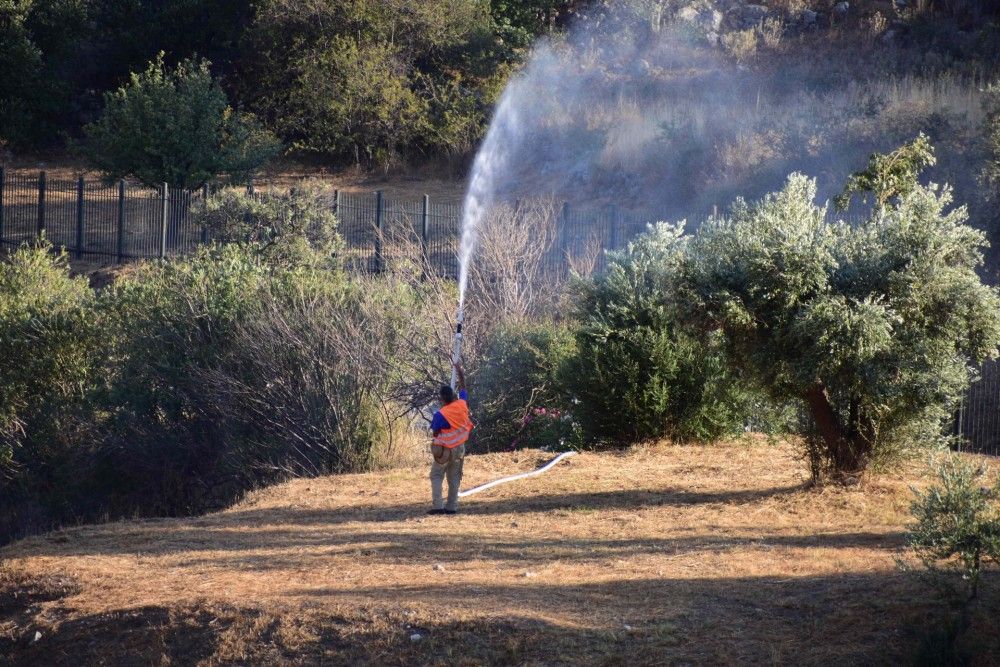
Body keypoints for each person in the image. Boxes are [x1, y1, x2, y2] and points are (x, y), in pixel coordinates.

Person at [428, 362, 473, 515]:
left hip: (445, 450)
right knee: (454, 478)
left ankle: (438, 506)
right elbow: (464, 388)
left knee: (436, 475)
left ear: (442, 399)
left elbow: (435, 432)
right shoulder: (462, 404)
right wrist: (460, 371)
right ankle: (451, 507)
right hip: (460, 448)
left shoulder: (441, 414)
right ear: (453, 396)